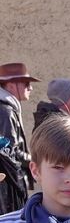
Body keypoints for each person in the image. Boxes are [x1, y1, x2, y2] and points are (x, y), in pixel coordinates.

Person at [0, 62, 38, 212]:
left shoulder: (7, 108)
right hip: (7, 186)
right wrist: (34, 159)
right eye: (26, 83)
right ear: (10, 85)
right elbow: (7, 149)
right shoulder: (5, 111)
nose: (31, 88)